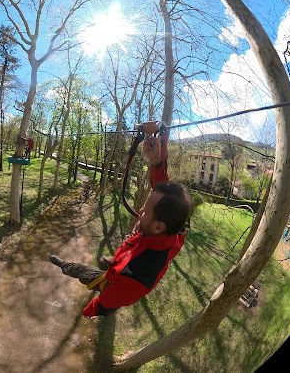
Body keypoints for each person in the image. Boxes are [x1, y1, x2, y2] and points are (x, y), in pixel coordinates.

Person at [48, 131, 193, 318]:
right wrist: (156, 160)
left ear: (158, 226)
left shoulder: (136, 275)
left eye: (146, 212)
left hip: (114, 284)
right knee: (106, 262)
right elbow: (167, 196)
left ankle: (65, 266)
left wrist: (89, 311)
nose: (141, 211)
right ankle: (109, 263)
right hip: (123, 266)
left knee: (83, 272)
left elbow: (105, 303)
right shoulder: (175, 231)